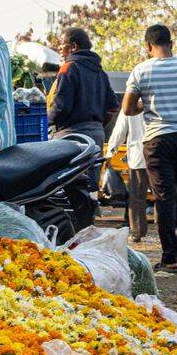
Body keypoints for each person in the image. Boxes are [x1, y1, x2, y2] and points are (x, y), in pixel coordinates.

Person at [122, 24, 177, 271]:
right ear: (171, 43)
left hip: (157, 140)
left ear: (149, 46)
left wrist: (146, 106)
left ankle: (169, 257)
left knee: (164, 198)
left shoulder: (141, 71)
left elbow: (128, 109)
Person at [47, 27, 120, 219]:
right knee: (90, 188)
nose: (61, 51)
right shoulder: (99, 71)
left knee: (65, 186)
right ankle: (88, 225)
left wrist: (47, 122)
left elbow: (61, 107)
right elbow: (113, 107)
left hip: (70, 136)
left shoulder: (68, 67)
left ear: (73, 46)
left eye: (62, 47)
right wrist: (96, 126)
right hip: (95, 135)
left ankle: (69, 231)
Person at [106, 108, 149, 241]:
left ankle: (137, 232)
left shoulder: (131, 100)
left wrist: (110, 152)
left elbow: (120, 130)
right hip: (161, 153)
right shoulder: (161, 95)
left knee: (136, 197)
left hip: (138, 154)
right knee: (162, 196)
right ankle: (164, 231)